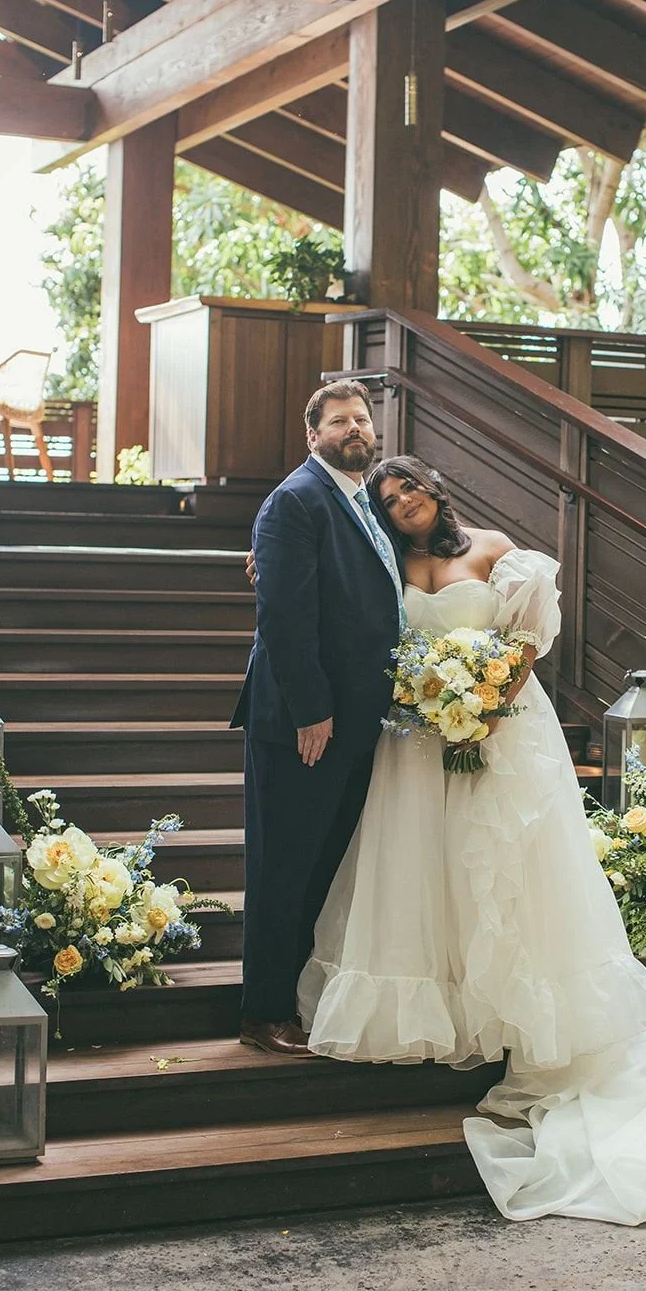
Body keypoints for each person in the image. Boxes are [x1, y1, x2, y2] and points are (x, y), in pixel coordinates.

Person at [297, 455, 646, 1226]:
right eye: (388, 498)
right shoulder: (379, 564)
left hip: (501, 734)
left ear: (437, 489)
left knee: (509, 872)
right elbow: (345, 612)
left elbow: (526, 640)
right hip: (416, 743)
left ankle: (532, 1020)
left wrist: (485, 705)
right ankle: (450, 1007)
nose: (404, 504)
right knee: (421, 870)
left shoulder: (496, 550)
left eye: (412, 489)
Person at [232, 381, 404, 1055]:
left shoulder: (368, 504)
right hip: (303, 723)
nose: (353, 428)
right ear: (313, 436)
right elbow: (284, 616)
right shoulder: (295, 500)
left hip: (356, 723)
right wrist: (312, 712)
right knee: (283, 867)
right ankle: (262, 1012)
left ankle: (296, 1000)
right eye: (338, 421)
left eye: (361, 418)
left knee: (323, 866)